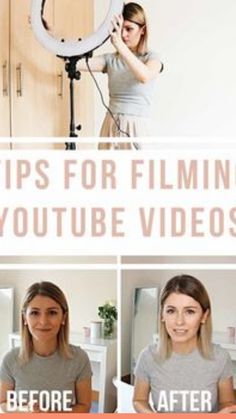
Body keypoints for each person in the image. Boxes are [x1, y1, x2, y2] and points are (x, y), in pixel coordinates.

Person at [133, 274, 236, 413]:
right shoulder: (148, 357)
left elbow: (227, 402)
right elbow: (139, 400)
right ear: (162, 315)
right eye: (171, 311)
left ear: (204, 316)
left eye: (189, 311)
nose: (179, 321)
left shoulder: (220, 357)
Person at [77, 2, 163, 149]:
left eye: (129, 29)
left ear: (143, 30)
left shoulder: (152, 58)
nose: (123, 35)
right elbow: (75, 63)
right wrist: (51, 37)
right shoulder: (110, 60)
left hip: (136, 128)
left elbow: (145, 76)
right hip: (110, 126)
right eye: (120, 29)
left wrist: (120, 46)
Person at [0, 281, 92, 413]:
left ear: (63, 317)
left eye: (52, 312)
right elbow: (3, 402)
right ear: (24, 318)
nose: (43, 322)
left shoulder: (79, 359)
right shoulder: (10, 359)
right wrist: (25, 410)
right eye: (35, 313)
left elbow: (84, 406)